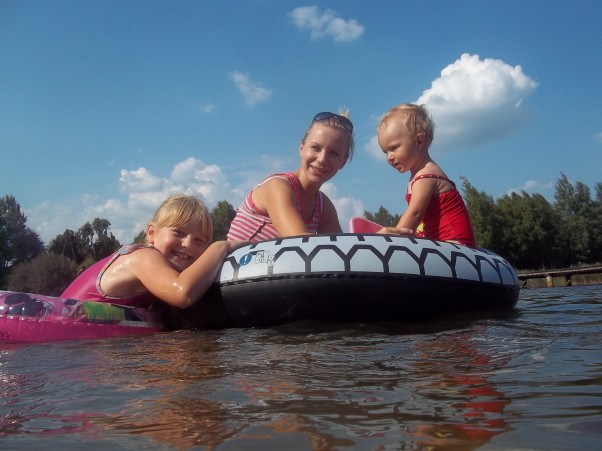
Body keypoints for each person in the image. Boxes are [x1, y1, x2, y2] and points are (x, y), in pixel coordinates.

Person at [61, 194, 249, 308]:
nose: (188, 244)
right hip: (62, 331)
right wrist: (221, 246)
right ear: (151, 233)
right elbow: (182, 293)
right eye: (178, 232)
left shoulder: (163, 273)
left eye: (199, 240)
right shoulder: (143, 257)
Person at [227, 111, 354, 242]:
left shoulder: (323, 206)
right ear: (302, 148)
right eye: (316, 148)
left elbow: (340, 246)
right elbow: (300, 242)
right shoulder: (278, 187)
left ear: (343, 162)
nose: (322, 159)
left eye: (333, 153)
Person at [376, 103, 477, 247]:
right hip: (444, 244)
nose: (389, 157)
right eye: (385, 152)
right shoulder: (420, 174)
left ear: (419, 141)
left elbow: (415, 214)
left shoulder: (426, 175)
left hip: (457, 244)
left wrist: (392, 239)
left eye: (393, 148)